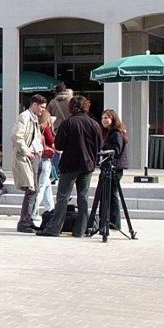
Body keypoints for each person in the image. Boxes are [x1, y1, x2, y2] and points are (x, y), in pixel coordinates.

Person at [36, 95, 102, 237]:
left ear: (72, 107)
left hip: (70, 164)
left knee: (63, 196)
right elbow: (99, 146)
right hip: (87, 165)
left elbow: (59, 145)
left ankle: (54, 228)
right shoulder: (94, 124)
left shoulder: (68, 123)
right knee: (83, 196)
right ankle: (81, 229)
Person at [12, 94, 47, 232]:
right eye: (41, 107)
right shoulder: (25, 116)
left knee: (34, 190)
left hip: (34, 156)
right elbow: (16, 136)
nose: (43, 110)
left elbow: (34, 137)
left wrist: (39, 151)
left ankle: (28, 219)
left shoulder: (34, 118)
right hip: (28, 157)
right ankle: (24, 222)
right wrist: (27, 151)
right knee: (31, 189)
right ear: (34, 105)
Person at [92, 108, 128, 231]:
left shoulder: (116, 133)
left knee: (111, 195)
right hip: (109, 167)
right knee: (108, 195)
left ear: (113, 118)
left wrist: (103, 148)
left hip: (114, 168)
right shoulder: (108, 132)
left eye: (106, 118)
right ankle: (109, 221)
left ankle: (113, 222)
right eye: (102, 118)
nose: (104, 120)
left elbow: (116, 150)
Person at [32, 108, 57, 227]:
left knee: (47, 186)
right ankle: (34, 212)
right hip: (45, 159)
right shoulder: (45, 127)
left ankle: (50, 209)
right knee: (41, 187)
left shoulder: (36, 126)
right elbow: (51, 140)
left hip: (39, 158)